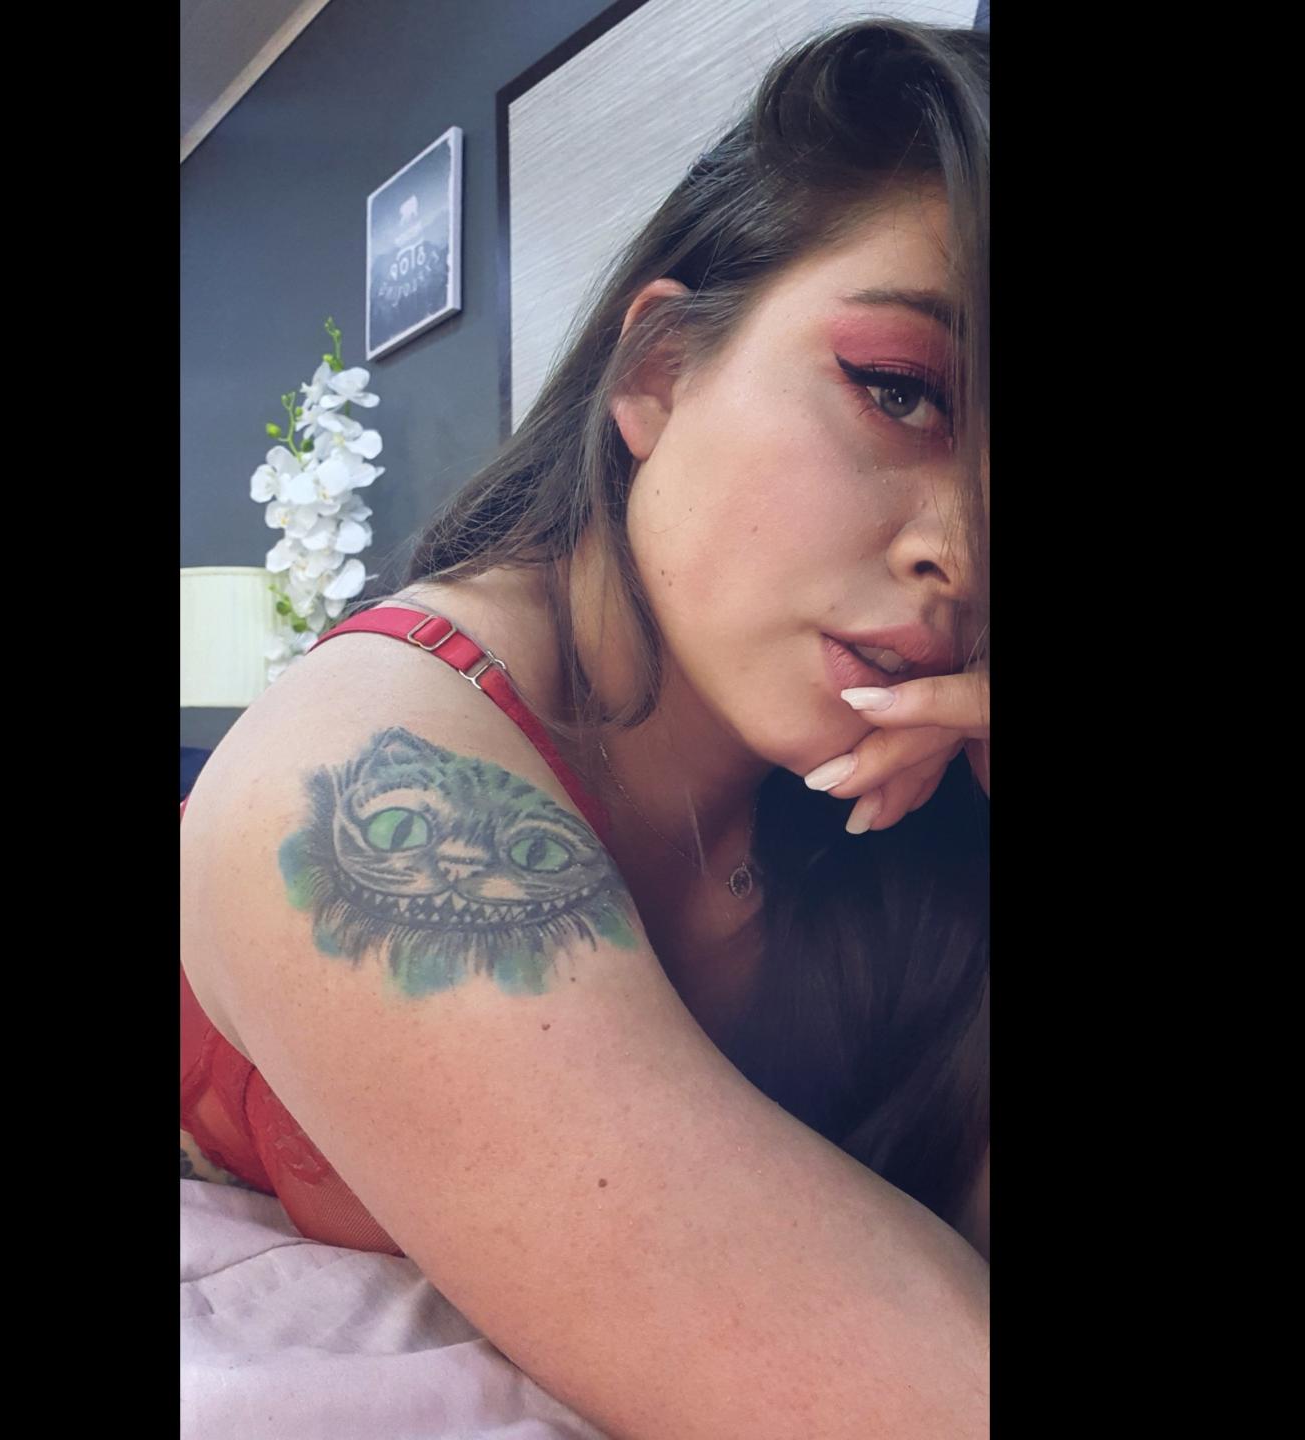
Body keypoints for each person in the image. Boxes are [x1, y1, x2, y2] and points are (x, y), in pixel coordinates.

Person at [181, 18, 990, 1438]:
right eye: (900, 391)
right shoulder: (367, 766)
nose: (963, 553)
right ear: (658, 374)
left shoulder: (909, 804)